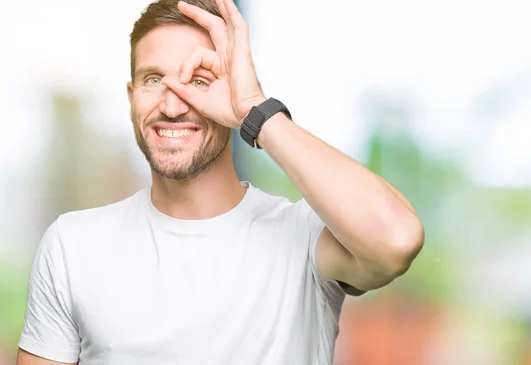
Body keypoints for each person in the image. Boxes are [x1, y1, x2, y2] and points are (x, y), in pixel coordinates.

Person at [16, 0, 424, 364]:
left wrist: (256, 111)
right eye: (154, 80)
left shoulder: (303, 240)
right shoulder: (73, 245)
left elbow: (397, 239)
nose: (172, 105)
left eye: (197, 80)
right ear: (131, 96)